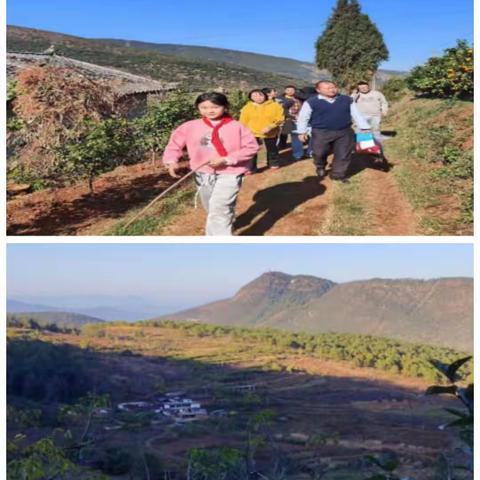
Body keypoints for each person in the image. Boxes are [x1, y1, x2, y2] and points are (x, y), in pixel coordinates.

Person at [163, 92, 260, 236]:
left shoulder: (237, 127)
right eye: (204, 107)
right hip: (202, 173)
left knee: (219, 207)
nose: (210, 111)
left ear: (225, 107)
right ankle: (227, 219)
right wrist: (171, 161)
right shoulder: (190, 126)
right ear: (198, 108)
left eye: (215, 107)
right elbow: (174, 144)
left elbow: (252, 147)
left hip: (231, 173)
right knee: (211, 207)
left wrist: (226, 159)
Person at [297, 80, 371, 182]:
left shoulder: (346, 99)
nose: (332, 90)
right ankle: (320, 165)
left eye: (333, 87)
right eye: (327, 88)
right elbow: (303, 117)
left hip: (344, 131)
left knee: (343, 153)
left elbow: (356, 114)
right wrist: (301, 131)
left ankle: (338, 175)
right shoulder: (311, 102)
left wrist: (364, 127)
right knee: (319, 153)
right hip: (321, 132)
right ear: (318, 90)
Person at [239, 89, 285, 173]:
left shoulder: (275, 105)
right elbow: (243, 121)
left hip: (270, 132)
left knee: (272, 149)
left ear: (265, 96)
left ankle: (273, 163)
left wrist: (270, 127)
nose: (258, 97)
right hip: (252, 132)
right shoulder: (247, 107)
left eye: (260, 95)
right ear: (250, 98)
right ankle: (251, 167)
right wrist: (243, 132)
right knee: (251, 150)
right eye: (255, 96)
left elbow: (280, 118)